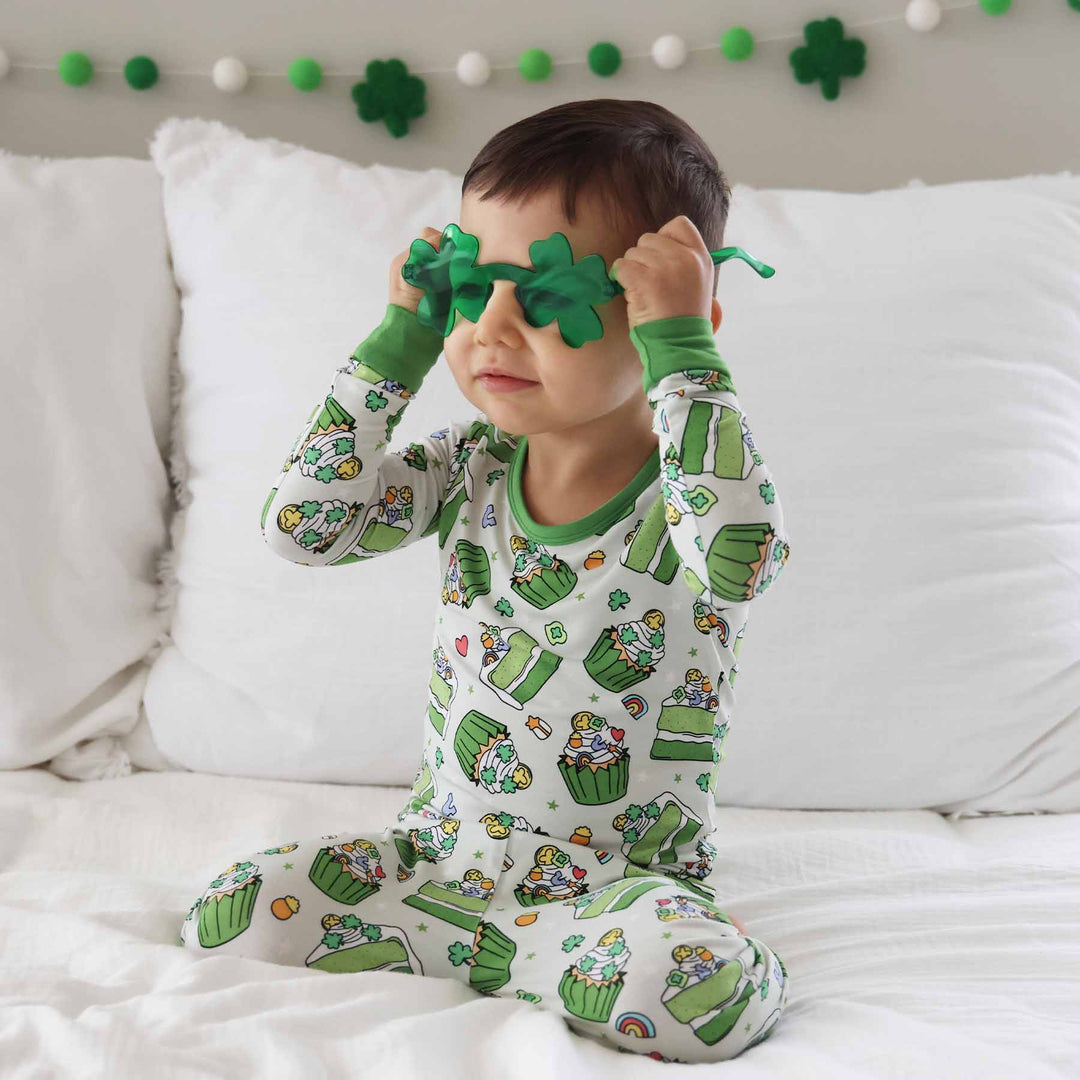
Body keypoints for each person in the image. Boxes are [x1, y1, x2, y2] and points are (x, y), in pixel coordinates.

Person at [178, 98, 792, 1063]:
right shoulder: (469, 464)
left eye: (547, 296)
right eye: (475, 288)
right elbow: (304, 528)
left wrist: (685, 353)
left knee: (686, 992)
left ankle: (576, 962)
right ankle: (481, 953)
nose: (495, 329)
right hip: (440, 867)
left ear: (666, 313)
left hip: (606, 892)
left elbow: (742, 558)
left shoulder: (691, 494)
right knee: (237, 915)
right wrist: (402, 341)